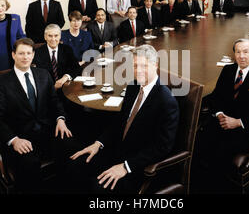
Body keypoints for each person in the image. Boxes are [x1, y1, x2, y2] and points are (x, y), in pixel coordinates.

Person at [61, 44, 179, 193]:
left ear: (155, 65)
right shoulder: (133, 86)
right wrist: (98, 143)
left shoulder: (166, 101)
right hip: (116, 150)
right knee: (75, 165)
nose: (139, 70)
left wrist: (126, 166)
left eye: (144, 65)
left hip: (137, 164)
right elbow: (120, 122)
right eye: (135, 66)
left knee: (97, 188)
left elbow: (162, 146)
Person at [191, 38, 249, 193]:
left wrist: (238, 122)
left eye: (246, 52)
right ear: (234, 54)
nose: (241, 56)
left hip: (244, 130)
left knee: (219, 154)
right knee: (196, 143)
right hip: (221, 122)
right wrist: (219, 113)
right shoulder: (228, 70)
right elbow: (216, 97)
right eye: (238, 52)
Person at [0, 38, 72, 193]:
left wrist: (60, 119)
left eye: (28, 53)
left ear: (33, 55)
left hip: (47, 130)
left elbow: (55, 102)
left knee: (69, 147)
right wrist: (13, 140)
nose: (25, 57)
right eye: (21, 53)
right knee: (29, 164)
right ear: (13, 55)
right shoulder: (1, 83)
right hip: (21, 136)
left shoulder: (43, 74)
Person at [33, 24, 81, 93]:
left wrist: (66, 77)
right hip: (46, 92)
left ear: (60, 36)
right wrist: (53, 88)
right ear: (45, 37)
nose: (53, 39)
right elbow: (37, 76)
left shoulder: (67, 49)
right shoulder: (37, 53)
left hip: (67, 88)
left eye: (56, 36)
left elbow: (77, 68)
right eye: (50, 36)